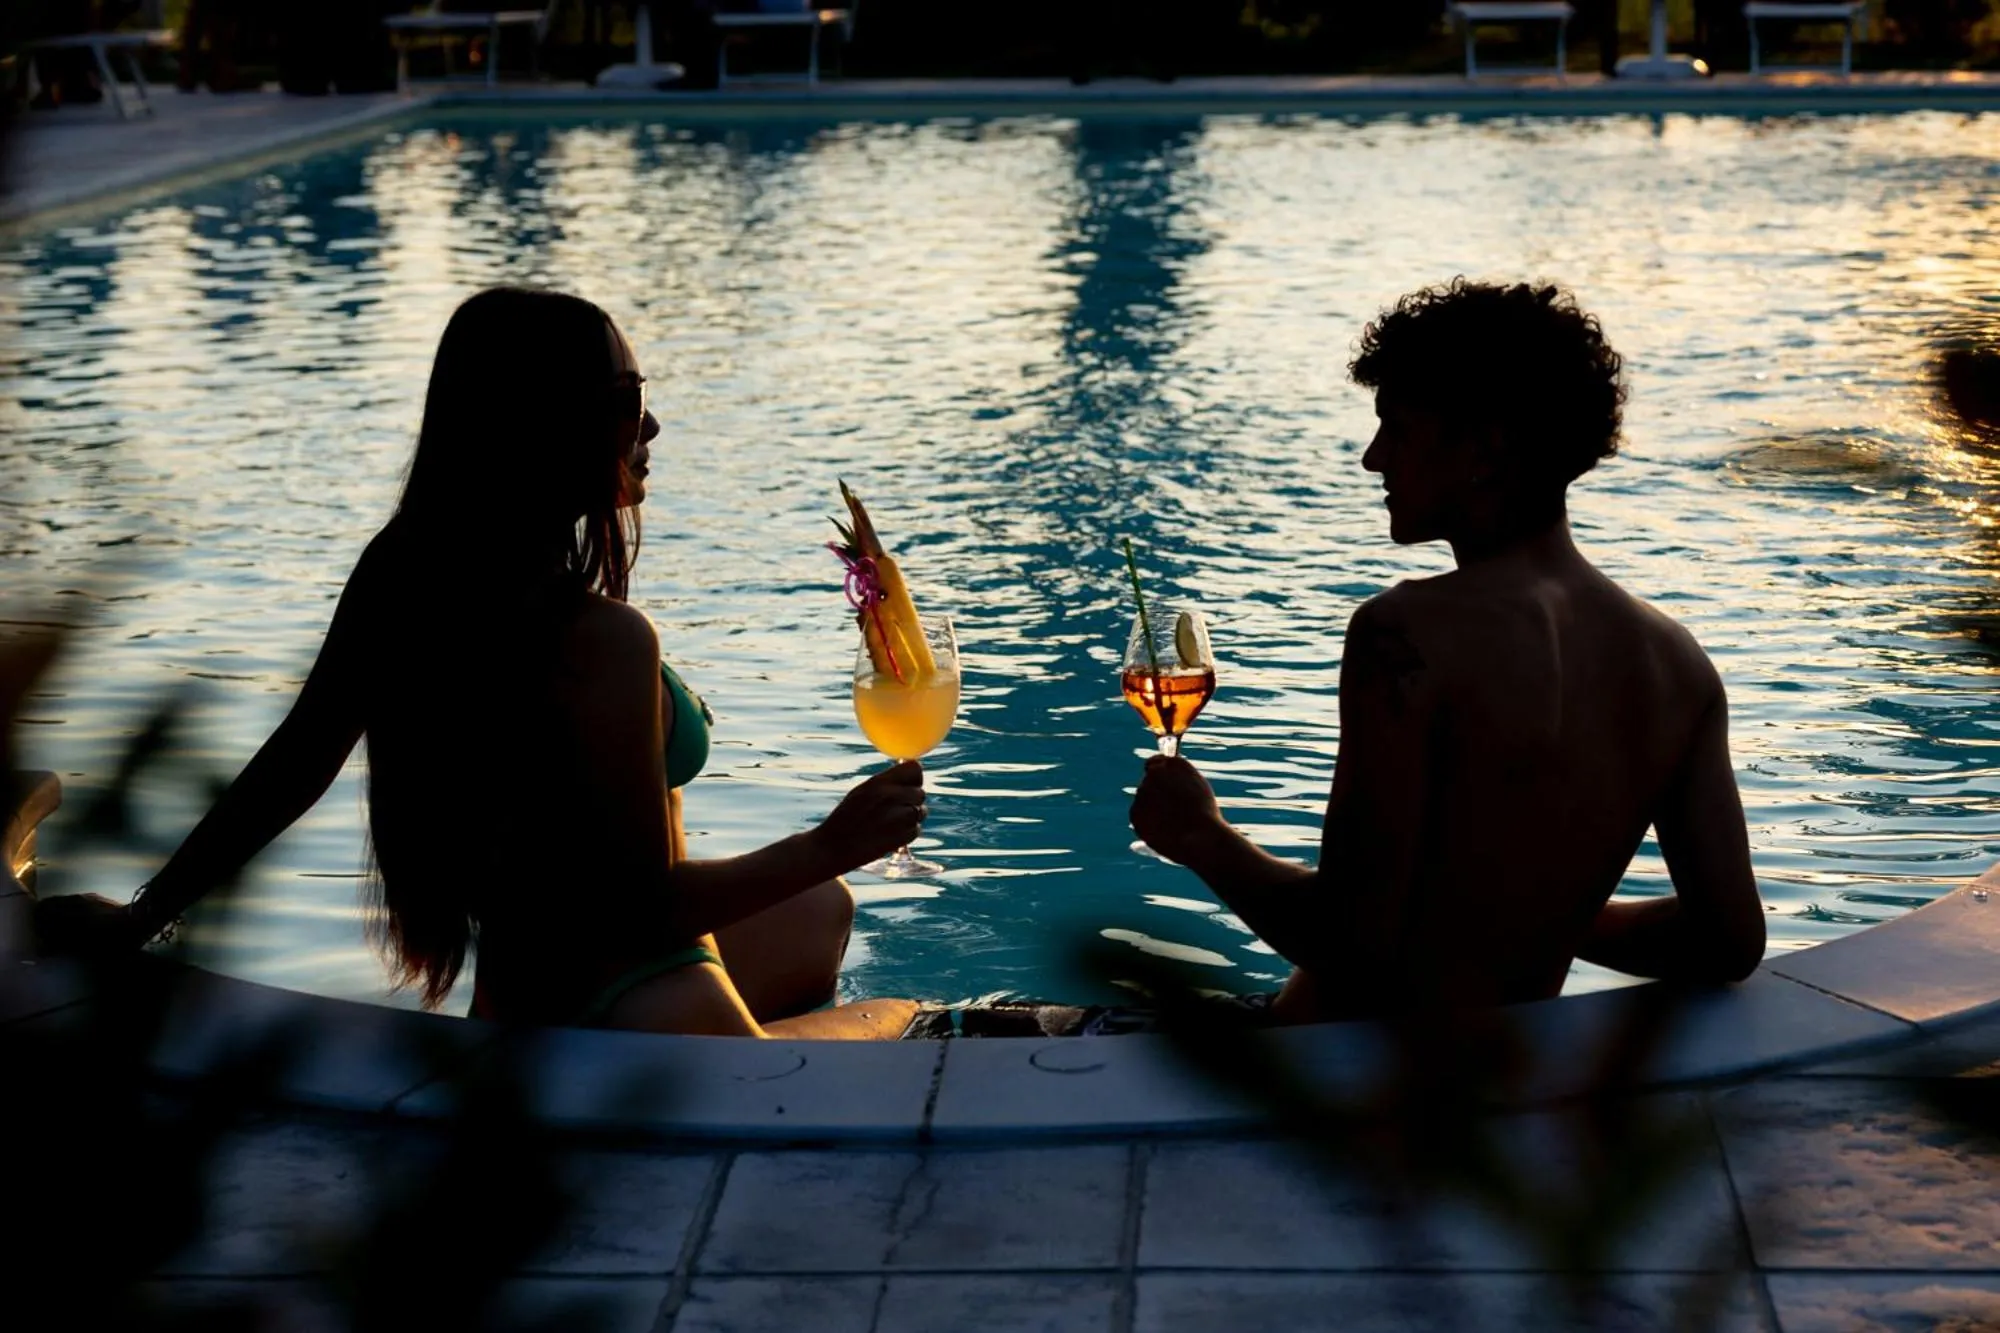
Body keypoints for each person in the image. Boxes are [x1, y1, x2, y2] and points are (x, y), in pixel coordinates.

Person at [37, 287, 923, 1039]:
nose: (648, 420)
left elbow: (296, 763)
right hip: (642, 990)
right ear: (545, 426)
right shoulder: (603, 640)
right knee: (900, 1016)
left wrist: (146, 917)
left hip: (524, 985)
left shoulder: (407, 572)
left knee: (823, 910)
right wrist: (830, 840)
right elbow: (639, 907)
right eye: (626, 395)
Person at [1129, 279, 1766, 1024]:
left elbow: (1351, 945)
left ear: (1486, 448)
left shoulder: (1406, 633)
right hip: (1493, 1089)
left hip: (1334, 1080)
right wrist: (1546, 908)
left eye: (1396, 429)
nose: (1373, 459)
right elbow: (1726, 938)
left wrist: (1202, 836)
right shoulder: (1677, 663)